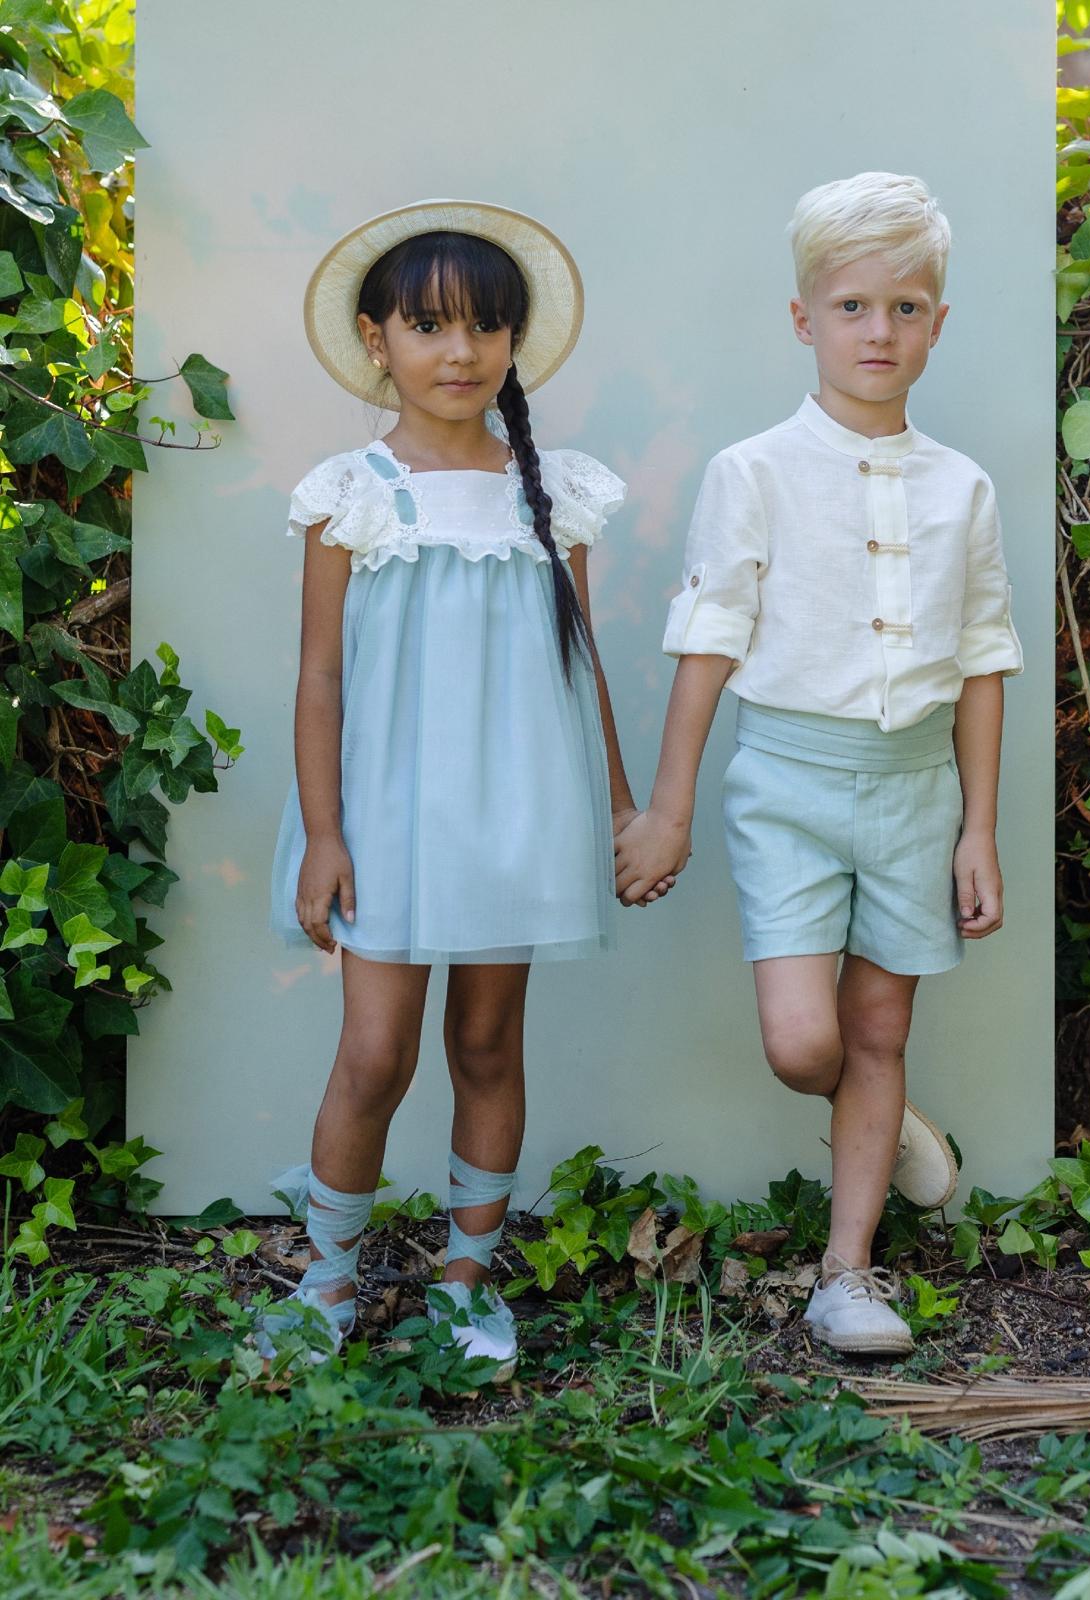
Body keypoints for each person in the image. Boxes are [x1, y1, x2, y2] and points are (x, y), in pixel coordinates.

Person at [614, 172, 1023, 1356]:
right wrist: (672, 806)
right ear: (804, 319)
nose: (879, 331)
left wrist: (978, 827)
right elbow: (708, 642)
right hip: (785, 785)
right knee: (809, 1043)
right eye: (852, 306)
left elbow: (984, 658)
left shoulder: (963, 487)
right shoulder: (754, 471)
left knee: (881, 1032)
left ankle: (848, 1273)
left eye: (906, 307)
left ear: (937, 324)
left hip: (915, 790)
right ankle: (880, 1121)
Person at [261, 200, 669, 1375]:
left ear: (514, 343)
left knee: (488, 1044)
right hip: (387, 814)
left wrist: (620, 806)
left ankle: (463, 1284)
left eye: (486, 328)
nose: (460, 353)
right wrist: (323, 834)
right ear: (374, 335)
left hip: (518, 814)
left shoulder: (555, 492)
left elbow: (579, 656)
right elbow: (321, 675)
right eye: (430, 325)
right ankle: (325, 1283)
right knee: (375, 1054)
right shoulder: (351, 491)